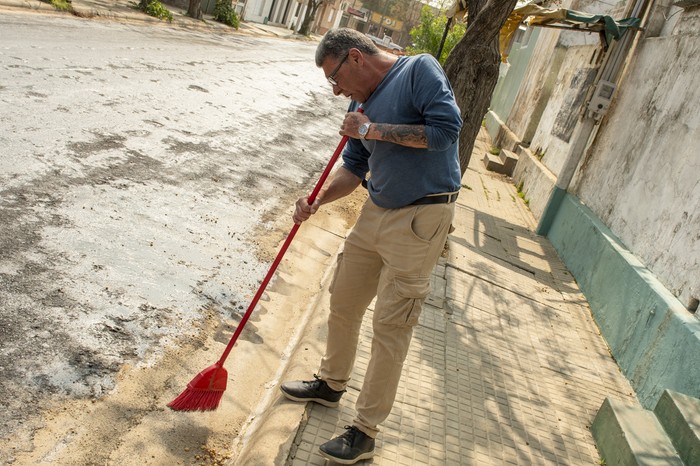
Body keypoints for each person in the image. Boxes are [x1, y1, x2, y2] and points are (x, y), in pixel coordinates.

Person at [280, 27, 462, 464]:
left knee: (391, 327)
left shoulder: (418, 70)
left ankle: (364, 431)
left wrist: (373, 128)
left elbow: (445, 131)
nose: (336, 89)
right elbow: (355, 165)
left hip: (422, 217)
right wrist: (319, 200)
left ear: (356, 58)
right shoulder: (357, 102)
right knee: (343, 301)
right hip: (376, 210)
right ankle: (331, 383)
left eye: (334, 79)